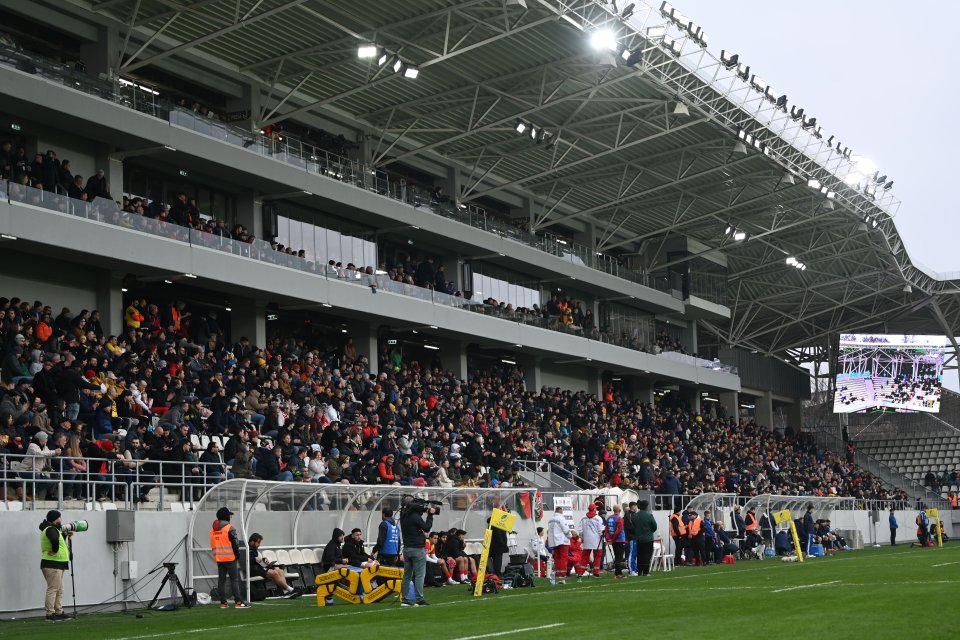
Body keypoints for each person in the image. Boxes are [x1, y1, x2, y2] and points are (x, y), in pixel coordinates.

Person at [210, 507, 250, 609]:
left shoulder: (212, 530)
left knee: (221, 581)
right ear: (226, 516)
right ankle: (238, 602)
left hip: (219, 558)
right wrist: (237, 555)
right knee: (234, 580)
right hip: (230, 558)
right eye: (229, 515)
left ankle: (223, 603)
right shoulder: (229, 528)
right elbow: (235, 543)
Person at [399, 498, 435, 606]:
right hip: (417, 549)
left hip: (406, 549)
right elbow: (427, 528)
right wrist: (430, 515)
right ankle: (419, 599)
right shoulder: (415, 517)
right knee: (419, 575)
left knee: (407, 575)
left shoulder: (403, 515)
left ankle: (405, 599)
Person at [39, 510, 74, 621]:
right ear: (55, 518)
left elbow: (57, 539)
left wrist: (64, 534)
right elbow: (54, 539)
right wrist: (54, 550)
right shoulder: (51, 529)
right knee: (53, 589)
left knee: (59, 589)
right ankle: (50, 613)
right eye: (59, 517)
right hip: (52, 564)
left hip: (57, 564)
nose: (61, 519)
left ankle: (58, 611)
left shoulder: (53, 529)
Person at [247, 533, 300, 598]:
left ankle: (285, 592)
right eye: (258, 543)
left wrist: (263, 560)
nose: (259, 545)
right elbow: (245, 560)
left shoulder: (253, 549)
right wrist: (255, 559)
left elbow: (257, 560)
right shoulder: (246, 548)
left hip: (259, 568)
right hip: (252, 570)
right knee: (275, 573)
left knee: (280, 571)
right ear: (252, 541)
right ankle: (291, 589)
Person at [630, 500, 657, 576]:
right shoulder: (649, 515)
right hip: (648, 538)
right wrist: (649, 531)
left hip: (638, 538)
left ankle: (639, 571)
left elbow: (633, 526)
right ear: (646, 507)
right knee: (647, 555)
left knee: (639, 555)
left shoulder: (635, 516)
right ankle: (646, 572)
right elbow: (654, 526)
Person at [578, 503, 604, 577]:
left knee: (585, 556)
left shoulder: (583, 518)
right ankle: (596, 572)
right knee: (597, 556)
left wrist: (582, 537)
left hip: (587, 539)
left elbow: (580, 530)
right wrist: (603, 538)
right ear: (594, 509)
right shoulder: (598, 518)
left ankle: (580, 572)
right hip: (596, 540)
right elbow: (600, 530)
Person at [547, 507, 572, 583]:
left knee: (557, 557)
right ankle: (562, 574)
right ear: (561, 511)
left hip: (554, 541)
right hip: (562, 540)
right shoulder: (561, 519)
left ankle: (558, 573)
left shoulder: (551, 519)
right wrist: (570, 536)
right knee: (563, 557)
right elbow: (566, 530)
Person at [604, 504, 627, 578]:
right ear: (620, 510)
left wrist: (609, 539)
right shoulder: (619, 518)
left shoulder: (609, 518)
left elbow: (606, 530)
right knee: (619, 557)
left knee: (617, 556)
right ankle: (619, 573)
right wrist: (613, 538)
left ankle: (617, 573)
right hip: (619, 540)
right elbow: (619, 530)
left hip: (614, 541)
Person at [625, 502, 638, 576]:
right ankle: (631, 570)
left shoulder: (633, 515)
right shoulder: (629, 515)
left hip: (635, 537)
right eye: (636, 506)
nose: (637, 508)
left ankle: (634, 568)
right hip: (631, 537)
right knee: (631, 553)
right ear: (633, 506)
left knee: (634, 554)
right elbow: (630, 527)